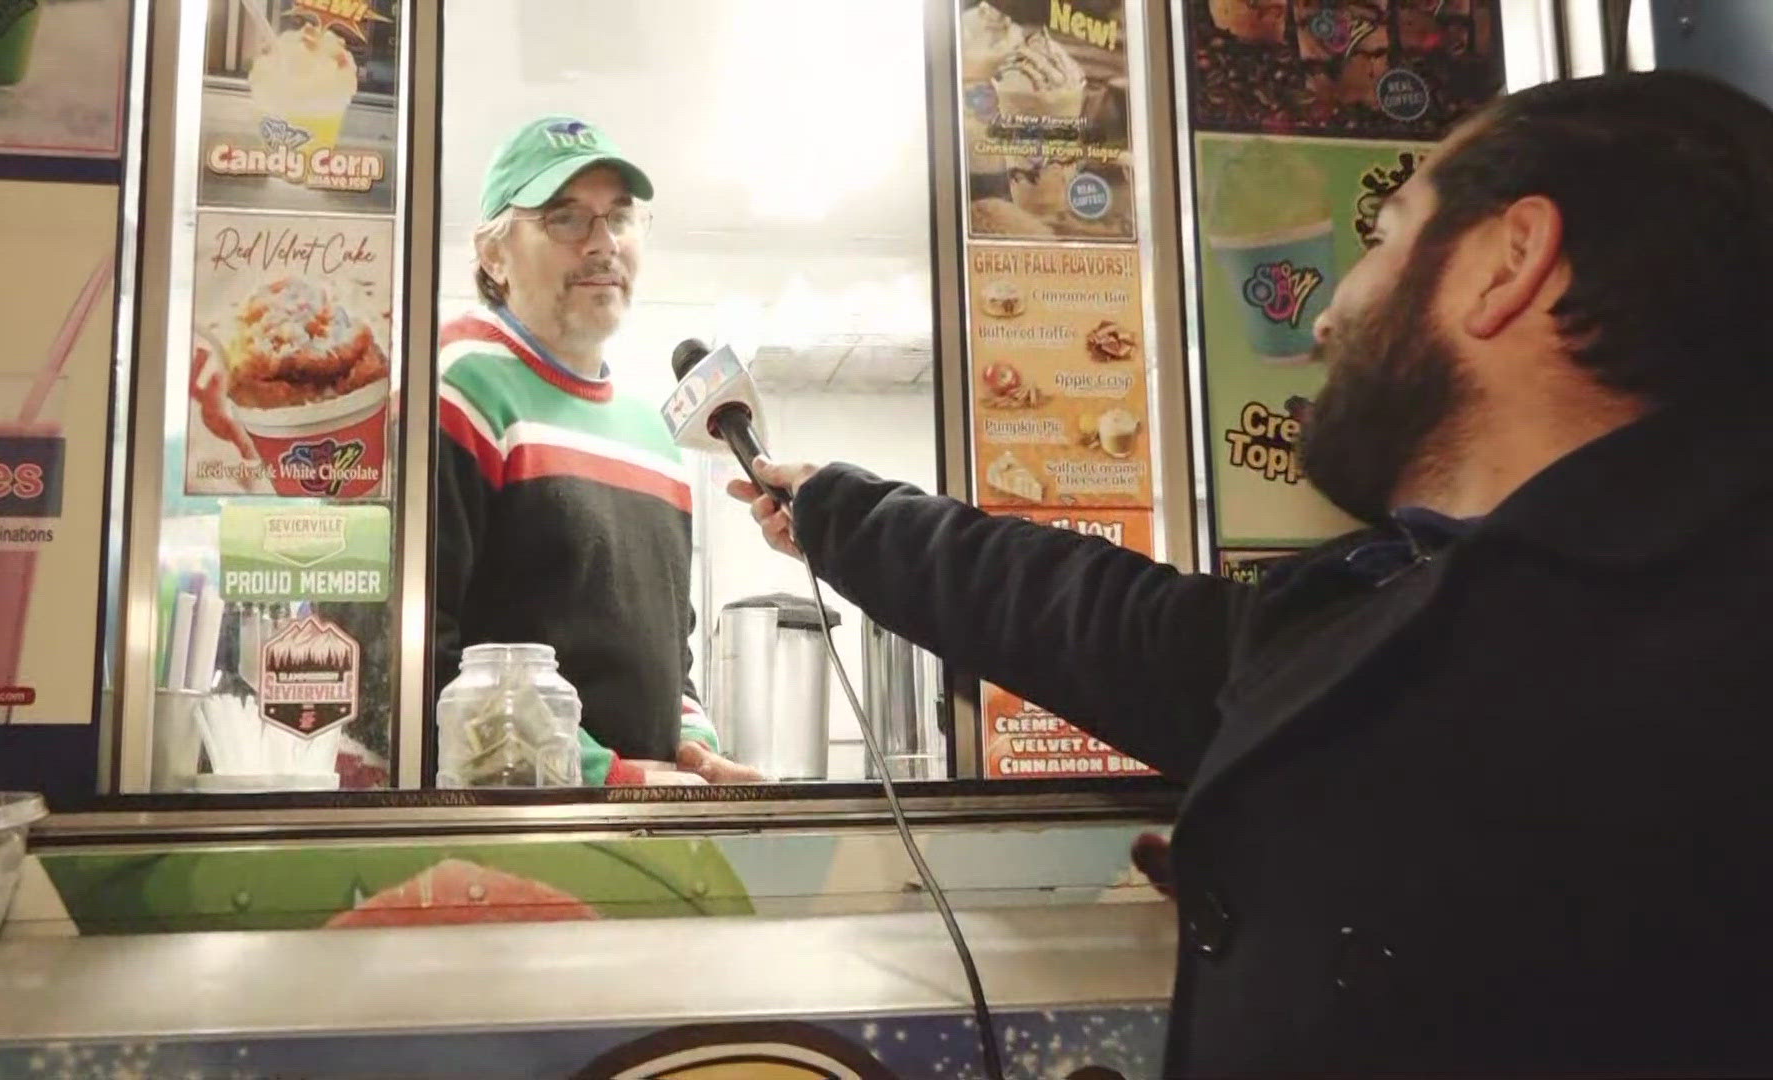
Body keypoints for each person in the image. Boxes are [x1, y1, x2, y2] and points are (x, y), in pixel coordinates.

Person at [731, 71, 1773, 1077]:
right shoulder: (1390, 610)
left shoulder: (1709, 660)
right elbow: (1105, 622)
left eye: (1383, 236)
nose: (1324, 315)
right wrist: (836, 510)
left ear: (1510, 262)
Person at [436, 116, 759, 788]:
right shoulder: (461, 387)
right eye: (565, 219)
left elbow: (670, 655)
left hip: (640, 833)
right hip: (512, 843)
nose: (603, 243)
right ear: (493, 255)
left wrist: (695, 751)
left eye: (619, 217)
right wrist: (608, 776)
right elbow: (425, 660)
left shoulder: (652, 434)